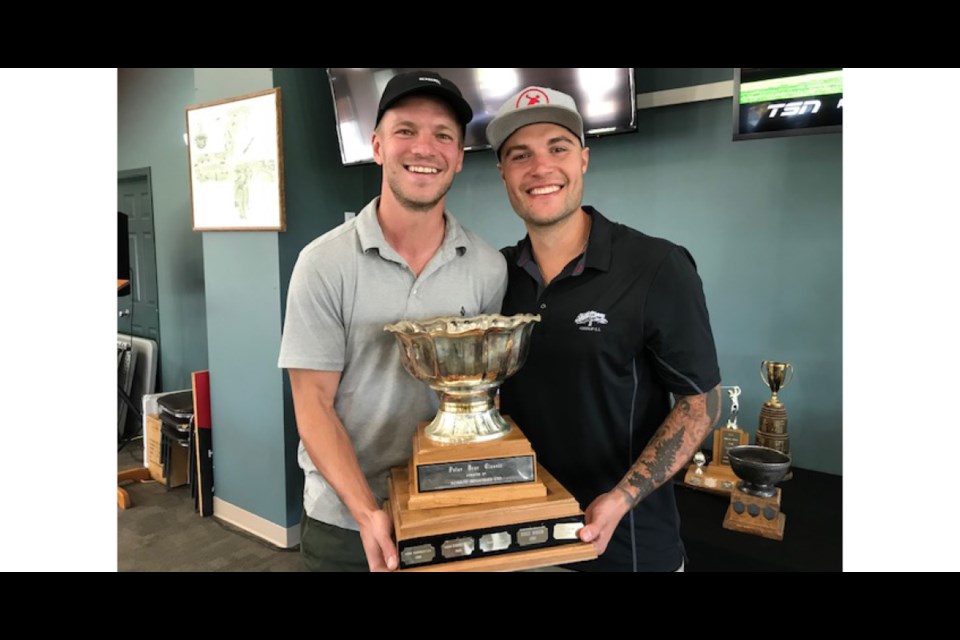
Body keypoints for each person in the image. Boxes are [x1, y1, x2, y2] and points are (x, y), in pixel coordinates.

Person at [278, 71, 507, 572]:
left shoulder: (489, 267)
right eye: (406, 130)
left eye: (443, 134)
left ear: (459, 157)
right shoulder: (323, 264)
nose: (425, 147)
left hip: (449, 509)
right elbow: (311, 402)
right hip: (346, 522)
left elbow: (481, 396)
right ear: (378, 145)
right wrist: (367, 513)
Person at [487, 86, 722, 572]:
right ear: (504, 174)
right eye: (520, 155)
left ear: (584, 160)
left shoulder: (658, 266)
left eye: (558, 148)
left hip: (625, 548)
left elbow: (702, 404)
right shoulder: (497, 275)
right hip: (518, 541)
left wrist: (621, 497)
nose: (541, 168)